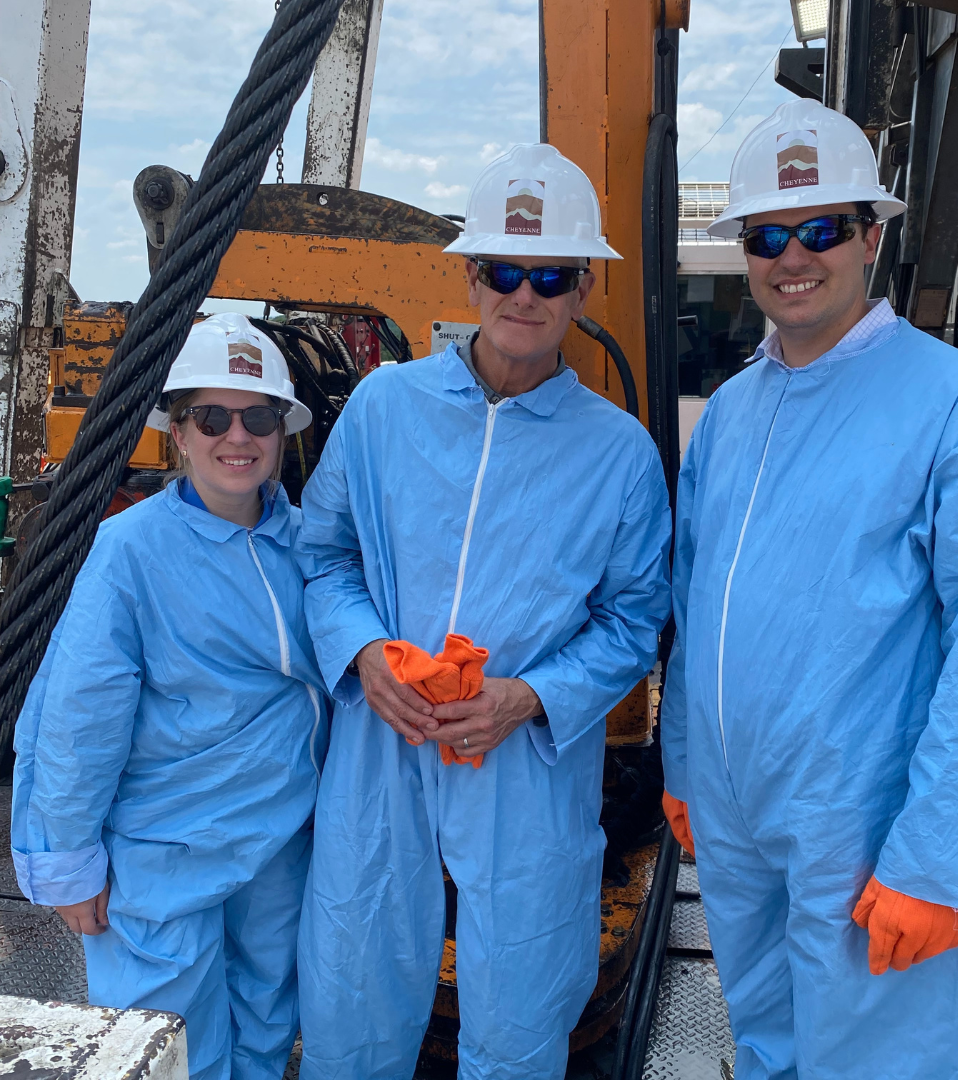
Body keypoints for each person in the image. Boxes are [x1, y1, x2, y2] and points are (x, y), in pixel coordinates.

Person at [660, 98, 958, 1077]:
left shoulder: (957, 405)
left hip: (873, 836)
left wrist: (939, 857)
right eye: (769, 234)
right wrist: (682, 768)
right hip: (742, 826)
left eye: (821, 227)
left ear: (870, 236)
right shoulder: (731, 415)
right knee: (768, 1046)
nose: (793, 255)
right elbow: (696, 603)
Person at [296, 143, 671, 1080]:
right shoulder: (384, 408)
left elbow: (633, 620)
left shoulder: (619, 454)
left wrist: (530, 697)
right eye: (506, 269)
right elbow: (324, 556)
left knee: (522, 1000)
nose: (525, 294)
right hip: (383, 738)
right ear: (471, 276)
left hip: (524, 763)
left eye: (550, 275)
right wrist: (365, 653)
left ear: (583, 288)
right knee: (354, 982)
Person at [11, 313, 327, 1080]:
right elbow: (80, 718)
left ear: (283, 431)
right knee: (162, 1046)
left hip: (276, 847)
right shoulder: (132, 551)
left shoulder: (312, 547)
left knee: (261, 1026)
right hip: (159, 857)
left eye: (257, 417)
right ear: (178, 433)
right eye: (211, 417)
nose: (236, 437)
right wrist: (70, 859)